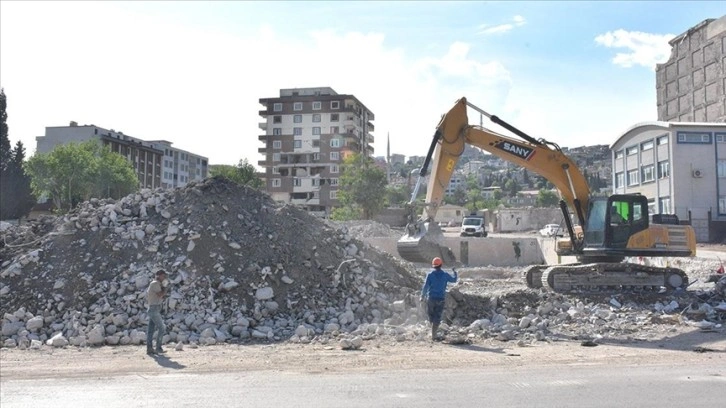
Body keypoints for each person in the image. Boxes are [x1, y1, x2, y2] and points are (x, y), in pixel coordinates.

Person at [420, 257, 458, 341]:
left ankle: (433, 333)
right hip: (440, 299)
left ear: (433, 266)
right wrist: (455, 272)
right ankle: (434, 333)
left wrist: (422, 296)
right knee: (437, 317)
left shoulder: (430, 275)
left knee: (431, 316)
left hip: (431, 298)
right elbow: (454, 280)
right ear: (441, 265)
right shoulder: (445, 274)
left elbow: (425, 287)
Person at [146, 269, 168, 355]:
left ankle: (150, 348)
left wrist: (163, 286)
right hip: (154, 309)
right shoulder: (155, 283)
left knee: (150, 330)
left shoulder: (156, 284)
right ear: (158, 275)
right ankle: (158, 348)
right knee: (162, 328)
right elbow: (160, 294)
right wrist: (165, 287)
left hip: (154, 308)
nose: (164, 278)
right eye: (163, 276)